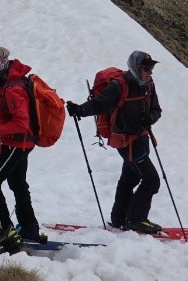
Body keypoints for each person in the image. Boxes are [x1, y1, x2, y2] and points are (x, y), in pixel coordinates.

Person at [67, 50, 163, 234]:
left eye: (151, 68)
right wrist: (79, 110)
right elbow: (99, 104)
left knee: (131, 178)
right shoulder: (119, 85)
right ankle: (137, 219)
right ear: (135, 68)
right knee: (152, 181)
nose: (150, 72)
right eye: (146, 68)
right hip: (127, 142)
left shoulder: (148, 85)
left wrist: (149, 118)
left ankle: (119, 218)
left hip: (142, 139)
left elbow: (157, 109)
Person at [0, 46, 46, 252]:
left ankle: (4, 230)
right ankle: (28, 227)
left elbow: (22, 122)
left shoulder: (12, 88)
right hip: (18, 142)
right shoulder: (5, 84)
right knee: (17, 183)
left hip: (17, 142)